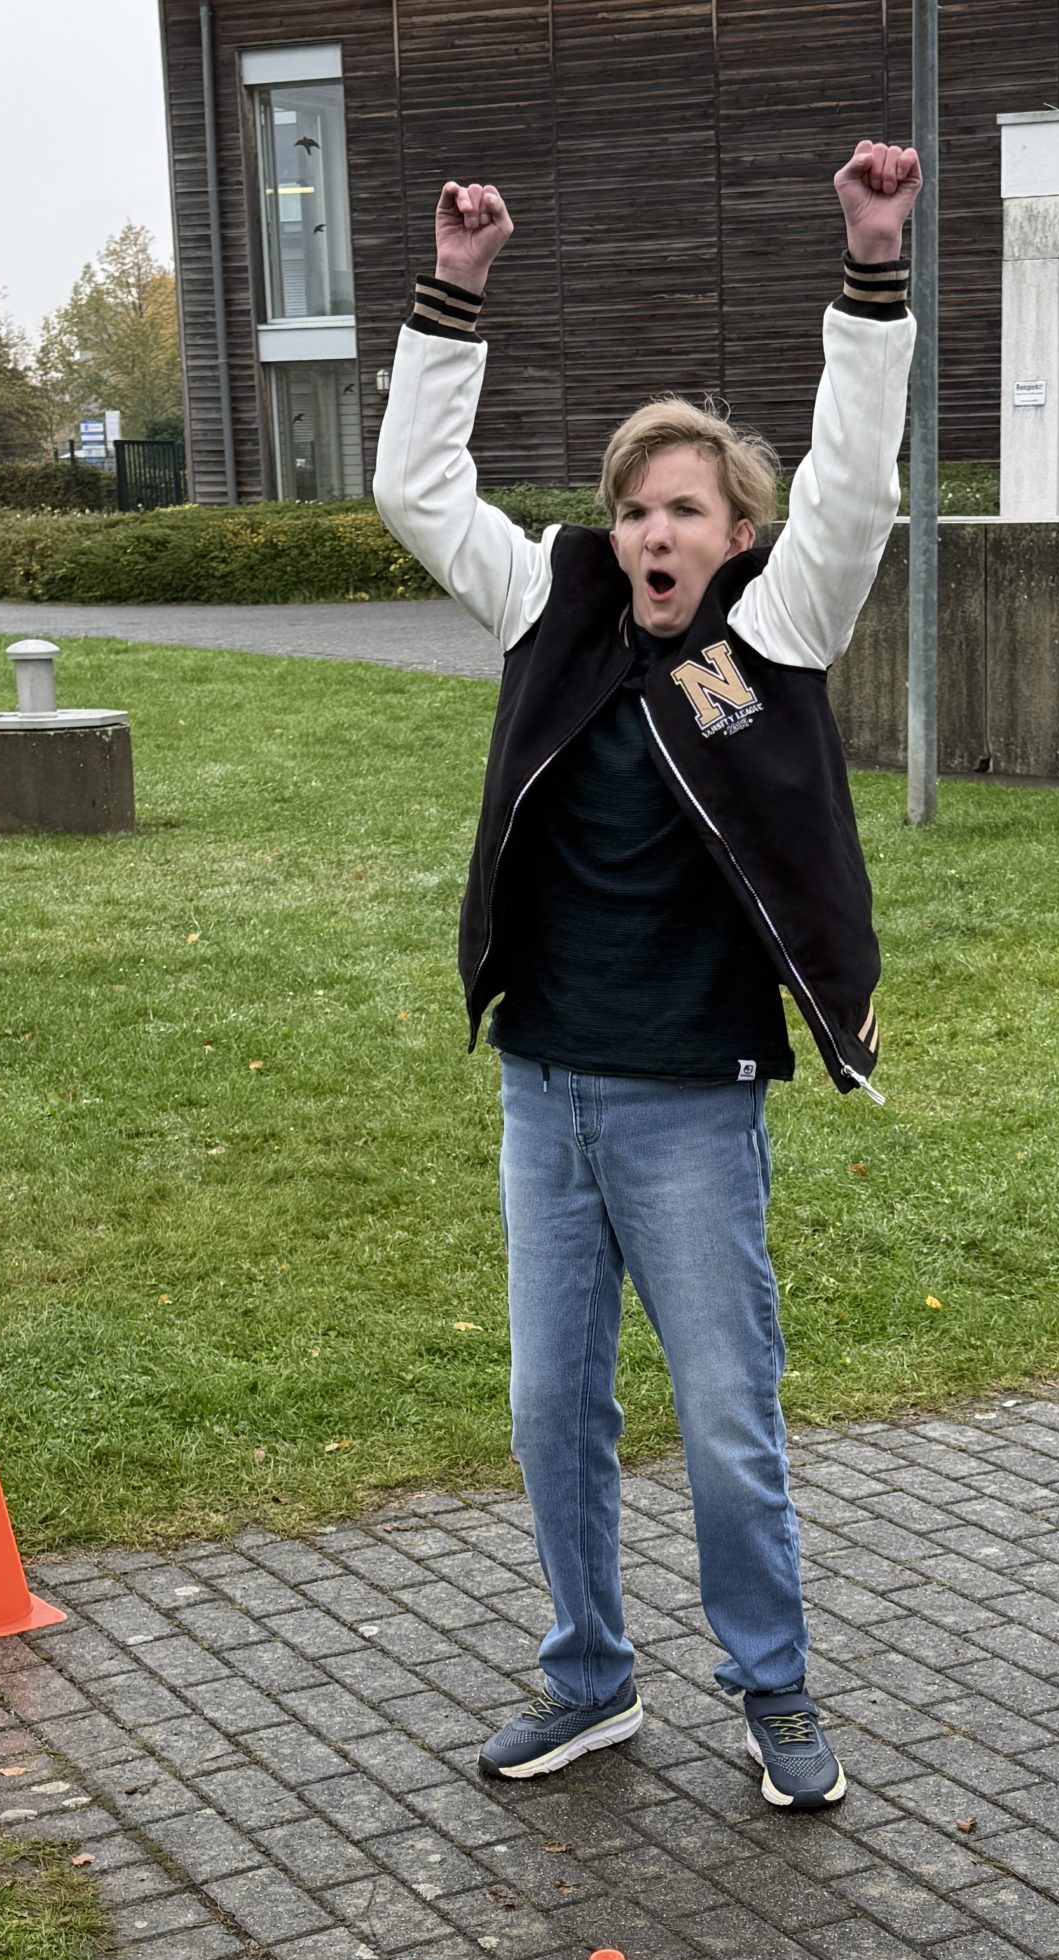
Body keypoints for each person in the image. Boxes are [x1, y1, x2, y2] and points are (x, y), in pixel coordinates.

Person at [373, 141, 919, 1813]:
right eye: (631, 509)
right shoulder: (551, 605)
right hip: (546, 1092)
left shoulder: (780, 629)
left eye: (682, 509)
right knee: (554, 1411)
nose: (650, 531)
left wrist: (872, 268)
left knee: (729, 1424)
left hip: (691, 1104)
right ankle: (589, 1679)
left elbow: (856, 482)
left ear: (738, 532)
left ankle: (775, 1686)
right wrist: (455, 292)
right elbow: (416, 494)